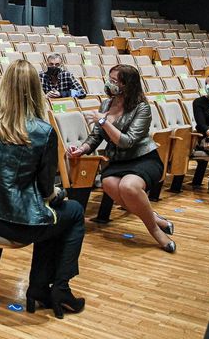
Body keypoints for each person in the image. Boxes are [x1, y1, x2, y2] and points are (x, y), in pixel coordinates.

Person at [0, 60, 85, 319]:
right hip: (21, 222)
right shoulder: (43, 131)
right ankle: (58, 288)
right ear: (35, 89)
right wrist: (57, 194)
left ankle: (41, 289)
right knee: (72, 212)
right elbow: (43, 188)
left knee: (53, 219)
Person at [68, 64, 176, 252]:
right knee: (109, 184)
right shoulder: (106, 105)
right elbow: (95, 137)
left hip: (142, 158)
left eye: (114, 81)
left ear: (128, 84)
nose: (109, 84)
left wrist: (104, 121)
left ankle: (156, 231)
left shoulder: (142, 108)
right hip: (117, 161)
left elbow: (127, 141)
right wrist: (81, 149)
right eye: (109, 79)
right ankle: (155, 217)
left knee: (129, 187)